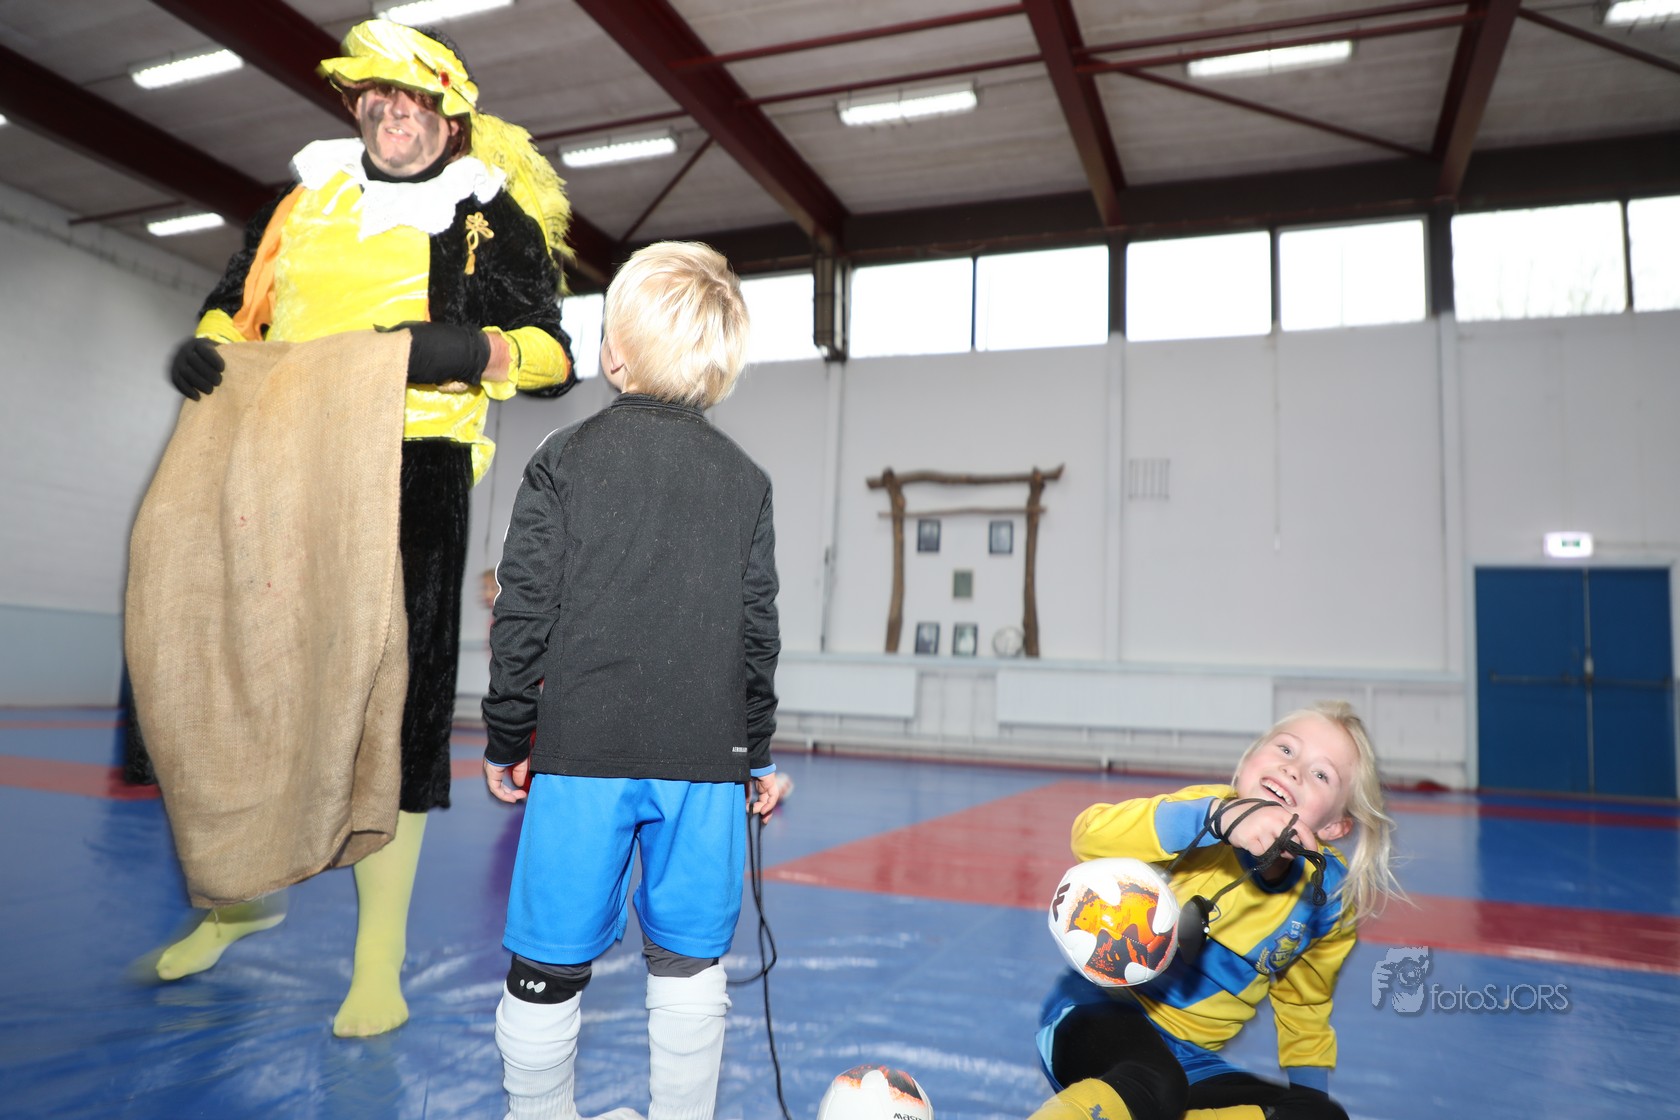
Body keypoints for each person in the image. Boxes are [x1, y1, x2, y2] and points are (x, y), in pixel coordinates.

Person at [150, 18, 575, 1039]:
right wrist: (204, 346)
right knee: (246, 678)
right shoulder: (305, 200)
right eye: (373, 95)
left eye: (411, 97)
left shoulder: (486, 217)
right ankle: (236, 900)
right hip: (276, 453)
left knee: (398, 709)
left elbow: (554, 356)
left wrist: (464, 348)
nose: (391, 112)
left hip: (412, 465)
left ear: (448, 115)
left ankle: (376, 959)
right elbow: (235, 305)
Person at [481, 241, 780, 1120]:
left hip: (584, 756)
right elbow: (757, 634)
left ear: (614, 354)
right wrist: (756, 755)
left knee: (546, 965)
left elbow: (522, 614)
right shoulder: (747, 481)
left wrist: (507, 736)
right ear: (720, 367)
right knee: (690, 962)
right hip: (706, 765)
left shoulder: (563, 459)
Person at [1031, 701, 1405, 1120]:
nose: (1293, 769)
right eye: (1285, 749)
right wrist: (1213, 819)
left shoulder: (1326, 899)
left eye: (1321, 774)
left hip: (1189, 1062)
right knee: (1155, 1083)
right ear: (1248, 762)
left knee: (1320, 1117)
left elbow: (1304, 1006)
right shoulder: (1201, 813)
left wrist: (1309, 1102)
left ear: (1334, 826)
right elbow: (1088, 836)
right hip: (1095, 1013)